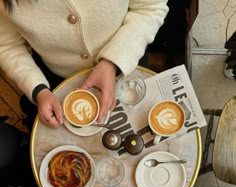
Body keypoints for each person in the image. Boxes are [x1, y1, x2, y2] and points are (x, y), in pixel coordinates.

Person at [0, 0, 169, 130]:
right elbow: (7, 44)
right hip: (55, 81)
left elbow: (150, 7)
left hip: (128, 62)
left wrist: (113, 62)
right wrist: (37, 88)